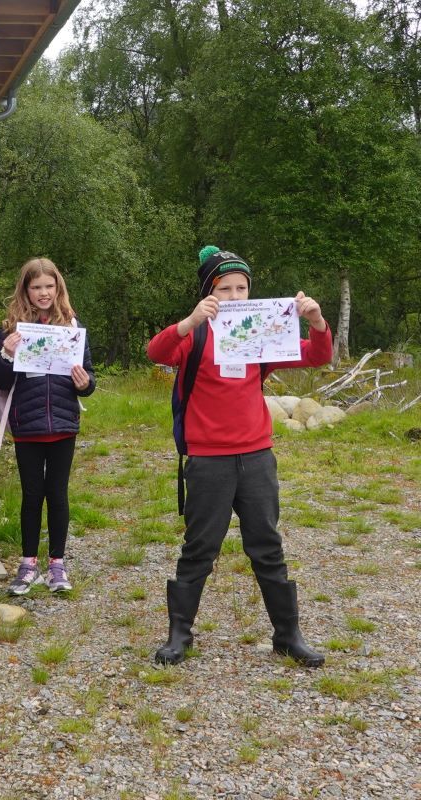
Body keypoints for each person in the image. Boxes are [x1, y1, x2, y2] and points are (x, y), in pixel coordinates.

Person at [149, 246, 329, 667]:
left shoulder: (262, 330)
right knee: (200, 547)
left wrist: (317, 321)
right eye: (224, 288)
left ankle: (287, 635)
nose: (233, 295)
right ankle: (179, 635)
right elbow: (156, 353)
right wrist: (190, 320)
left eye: (241, 287)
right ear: (208, 292)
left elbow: (317, 355)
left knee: (267, 547)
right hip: (208, 459)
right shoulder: (194, 335)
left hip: (256, 457)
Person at [0, 258, 95, 596]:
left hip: (63, 424)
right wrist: (6, 353)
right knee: (32, 495)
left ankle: (57, 565)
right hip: (27, 426)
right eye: (36, 287)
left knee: (58, 495)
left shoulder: (73, 325)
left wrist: (83, 383)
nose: (43, 293)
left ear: (58, 288)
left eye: (49, 286)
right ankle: (28, 564)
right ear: (26, 290)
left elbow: (89, 379)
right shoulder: (11, 329)